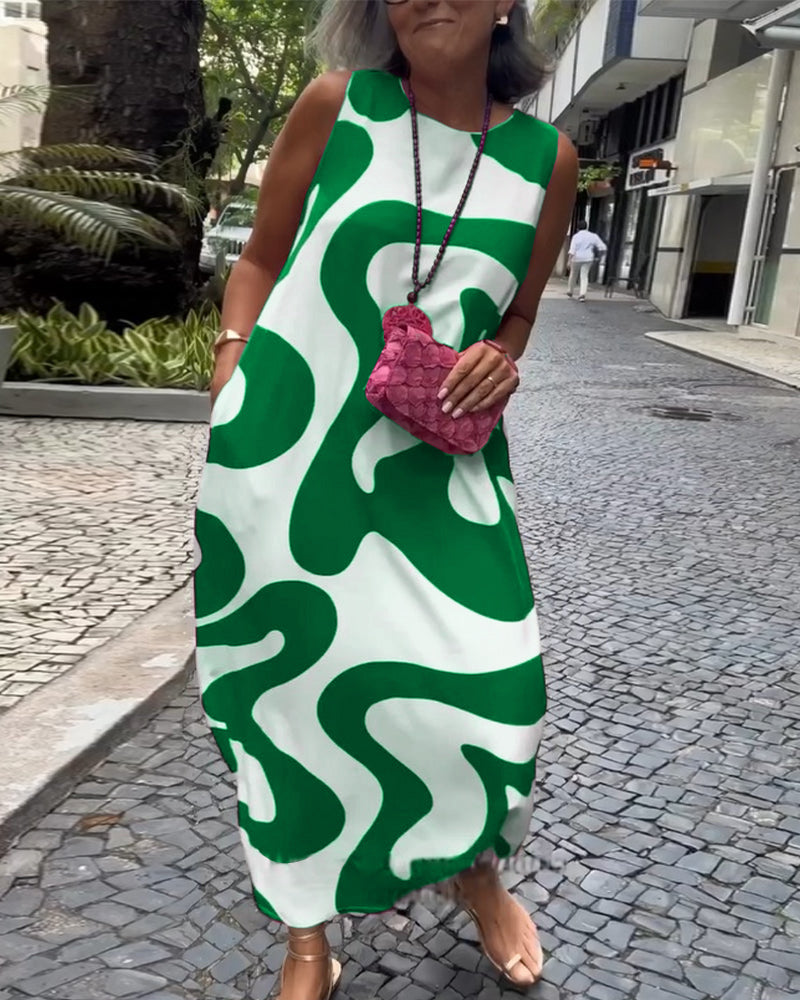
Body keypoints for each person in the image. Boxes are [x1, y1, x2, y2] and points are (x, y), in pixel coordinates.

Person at [194, 2, 577, 999]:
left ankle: (473, 867)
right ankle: (306, 937)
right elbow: (259, 259)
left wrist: (502, 355)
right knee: (293, 698)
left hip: (438, 466)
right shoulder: (338, 106)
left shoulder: (548, 160)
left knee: (497, 691)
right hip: (291, 455)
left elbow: (519, 311)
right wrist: (232, 365)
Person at [567, 220, 606, 301]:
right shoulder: (593, 236)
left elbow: (572, 250)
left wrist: (569, 261)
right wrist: (599, 257)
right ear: (586, 227)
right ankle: (582, 294)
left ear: (577, 228)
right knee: (584, 276)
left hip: (576, 258)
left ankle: (570, 291)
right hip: (588, 258)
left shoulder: (576, 237)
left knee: (573, 274)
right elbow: (602, 247)